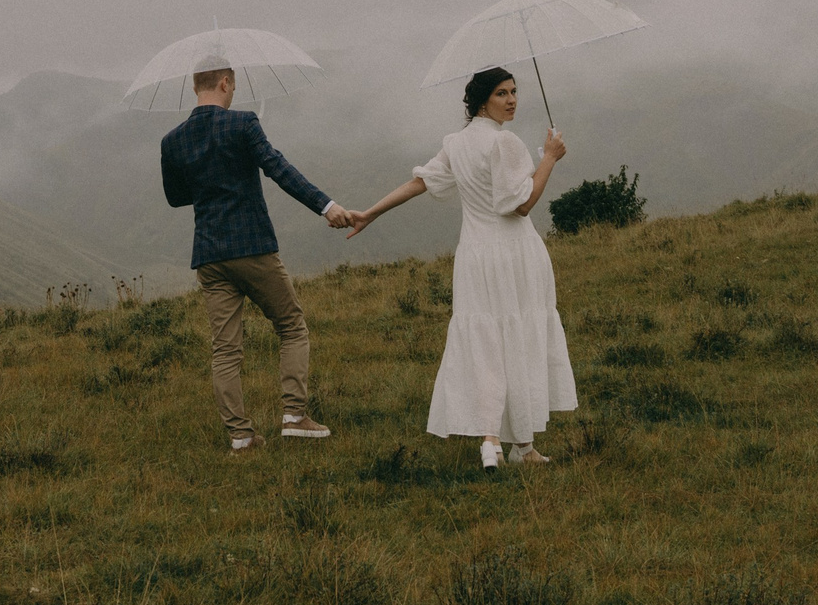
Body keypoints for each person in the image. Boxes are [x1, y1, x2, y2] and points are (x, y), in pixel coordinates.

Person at [351, 66, 575, 470]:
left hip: (474, 257)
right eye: (502, 94)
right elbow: (521, 204)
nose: (511, 100)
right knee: (516, 340)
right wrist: (550, 158)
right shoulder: (504, 143)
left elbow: (420, 183)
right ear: (483, 100)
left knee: (489, 344)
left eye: (514, 92)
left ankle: (507, 443)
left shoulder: (456, 143)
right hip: (512, 253)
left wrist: (370, 212)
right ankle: (514, 445)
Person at [159, 58, 359, 451]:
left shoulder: (172, 140)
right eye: (232, 86)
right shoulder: (244, 123)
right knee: (291, 325)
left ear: (194, 88)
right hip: (252, 247)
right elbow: (278, 169)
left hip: (209, 255)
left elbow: (175, 197)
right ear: (226, 82)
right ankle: (294, 415)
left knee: (226, 348)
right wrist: (326, 206)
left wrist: (209, 179)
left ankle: (241, 436)